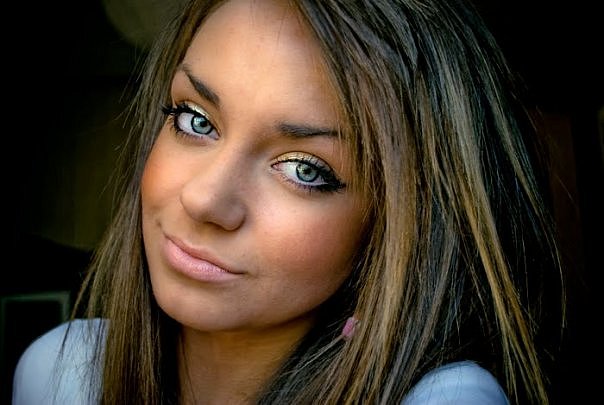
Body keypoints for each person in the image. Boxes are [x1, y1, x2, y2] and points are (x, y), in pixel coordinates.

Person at [12, 0, 564, 403]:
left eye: (305, 169)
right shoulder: (62, 375)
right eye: (196, 120)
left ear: (404, 224)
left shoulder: (446, 399)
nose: (204, 200)